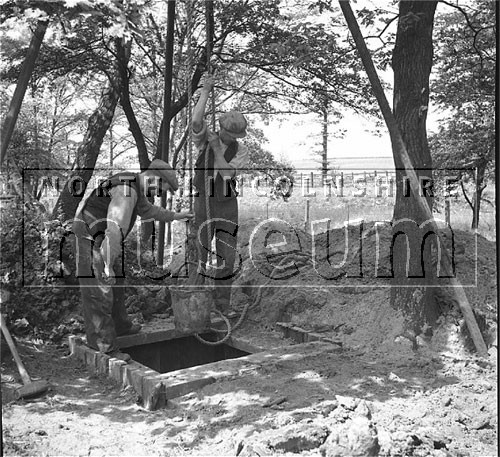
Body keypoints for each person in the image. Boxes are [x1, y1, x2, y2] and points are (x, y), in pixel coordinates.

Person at [72, 159, 193, 362]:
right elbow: (114, 230)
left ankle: (120, 326)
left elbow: (150, 211)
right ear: (156, 179)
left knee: (117, 281)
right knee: (99, 287)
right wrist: (108, 264)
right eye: (161, 189)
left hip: (103, 234)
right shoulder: (127, 192)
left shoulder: (135, 183)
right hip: (90, 234)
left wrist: (176, 216)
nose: (159, 194)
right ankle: (104, 347)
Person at [191, 75, 249, 313]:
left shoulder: (241, 150)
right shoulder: (205, 137)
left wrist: (216, 149)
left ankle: (221, 303)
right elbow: (196, 119)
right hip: (203, 200)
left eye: (236, 136)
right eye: (230, 134)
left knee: (226, 254)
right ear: (222, 128)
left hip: (226, 203)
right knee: (199, 249)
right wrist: (205, 90)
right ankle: (195, 299)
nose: (233, 138)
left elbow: (226, 174)